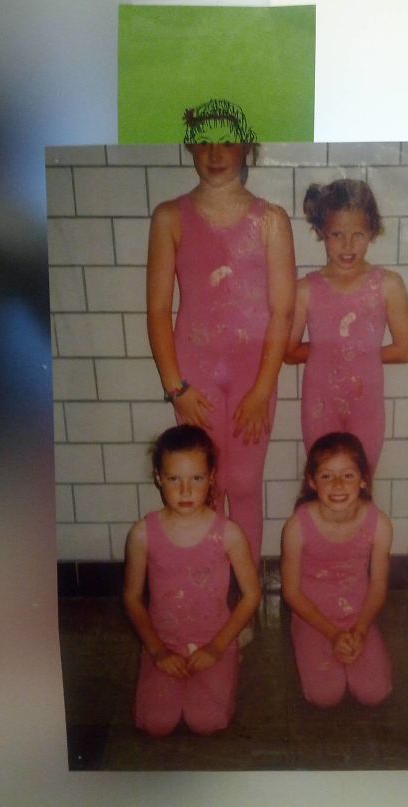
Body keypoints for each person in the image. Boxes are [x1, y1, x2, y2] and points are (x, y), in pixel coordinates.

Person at [147, 99, 296, 566]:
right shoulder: (170, 217)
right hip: (194, 378)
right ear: (190, 146)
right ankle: (207, 585)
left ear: (246, 146)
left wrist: (263, 389)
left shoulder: (271, 220)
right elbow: (157, 311)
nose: (215, 153)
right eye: (205, 142)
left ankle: (245, 589)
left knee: (245, 484)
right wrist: (176, 387)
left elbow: (282, 312)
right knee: (203, 485)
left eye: (227, 141)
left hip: (254, 375)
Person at [123, 425, 261, 736]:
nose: (185, 491)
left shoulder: (228, 534)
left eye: (196, 478)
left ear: (211, 478)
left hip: (215, 641)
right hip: (164, 642)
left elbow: (252, 595)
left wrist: (218, 647)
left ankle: (231, 659)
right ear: (158, 478)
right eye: (174, 479)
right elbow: (131, 598)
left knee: (206, 721)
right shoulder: (142, 534)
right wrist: (157, 651)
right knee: (156, 723)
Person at [285, 179, 408, 472]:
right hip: (320, 404)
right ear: (322, 232)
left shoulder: (388, 285)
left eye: (358, 234)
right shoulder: (305, 290)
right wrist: (333, 352)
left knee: (362, 479)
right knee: (323, 478)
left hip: (365, 406)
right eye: (337, 234)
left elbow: (406, 349)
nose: (347, 245)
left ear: (372, 232)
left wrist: (356, 353)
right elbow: (289, 352)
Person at [281, 432, 393, 707]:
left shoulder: (379, 524)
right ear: (312, 481)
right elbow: (291, 592)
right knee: (325, 696)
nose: (338, 485)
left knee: (375, 692)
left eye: (348, 475)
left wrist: (361, 630)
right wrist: (332, 634)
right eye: (327, 476)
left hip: (358, 617)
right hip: (312, 618)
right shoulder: (297, 526)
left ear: (363, 479)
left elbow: (378, 586)